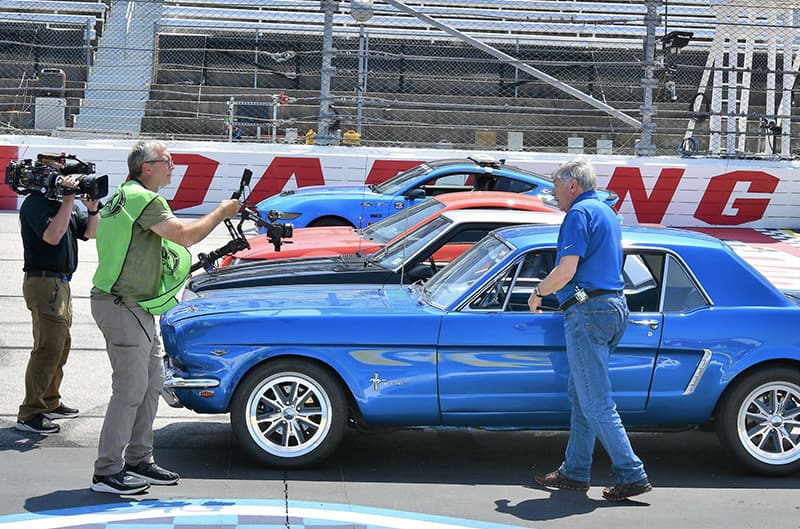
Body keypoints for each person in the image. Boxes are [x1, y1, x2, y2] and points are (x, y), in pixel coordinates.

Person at [89, 140, 240, 495]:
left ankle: (139, 459)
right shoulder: (144, 199)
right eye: (167, 161)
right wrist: (221, 212)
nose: (172, 165)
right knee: (129, 390)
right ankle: (106, 472)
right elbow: (184, 236)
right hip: (123, 304)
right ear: (146, 168)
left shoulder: (129, 195)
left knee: (152, 384)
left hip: (132, 304)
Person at [527, 158, 652, 502]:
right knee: (582, 396)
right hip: (611, 308)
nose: (553, 193)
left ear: (572, 185)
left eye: (555, 186)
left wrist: (538, 293)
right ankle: (575, 471)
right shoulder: (607, 212)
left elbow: (566, 271)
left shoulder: (578, 215)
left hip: (588, 312)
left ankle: (632, 473)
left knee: (596, 402)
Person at [15, 172, 99, 435]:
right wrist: (66, 202)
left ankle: (50, 401)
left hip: (61, 284)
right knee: (47, 347)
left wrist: (92, 209)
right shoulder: (34, 204)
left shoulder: (68, 205)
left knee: (61, 345)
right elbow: (52, 236)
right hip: (43, 282)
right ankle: (30, 413)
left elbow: (91, 233)